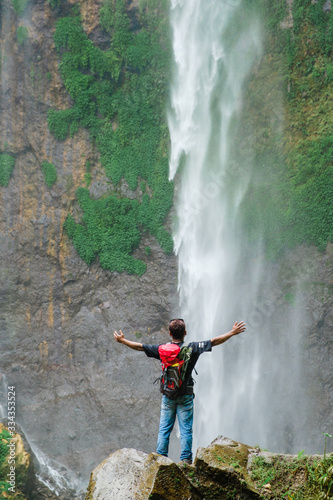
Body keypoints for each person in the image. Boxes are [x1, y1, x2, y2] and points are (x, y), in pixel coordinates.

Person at [113, 318, 246, 464]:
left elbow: (140, 346)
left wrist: (123, 341)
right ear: (185, 333)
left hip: (168, 395)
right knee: (186, 430)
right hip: (186, 395)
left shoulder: (161, 349)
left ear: (170, 333)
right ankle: (186, 460)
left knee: (164, 430)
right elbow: (214, 341)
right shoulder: (193, 348)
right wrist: (232, 332)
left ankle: (160, 459)